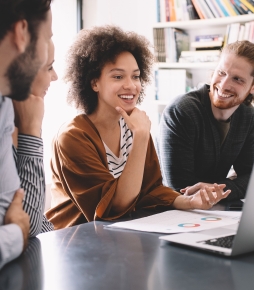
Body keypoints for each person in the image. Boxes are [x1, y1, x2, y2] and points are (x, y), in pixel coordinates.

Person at [46, 25, 230, 229]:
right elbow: (113, 208)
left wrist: (189, 201)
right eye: (118, 76)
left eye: (135, 76)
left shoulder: (133, 127)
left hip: (122, 234)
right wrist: (141, 137)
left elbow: (150, 190)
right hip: (75, 242)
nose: (131, 86)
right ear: (94, 83)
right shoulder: (73, 137)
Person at [157, 40, 254, 201]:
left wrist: (216, 190)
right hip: (171, 213)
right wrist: (231, 186)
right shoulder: (182, 111)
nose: (223, 85)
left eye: (237, 79)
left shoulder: (248, 117)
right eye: (221, 73)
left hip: (216, 210)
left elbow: (253, 177)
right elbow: (180, 189)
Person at [0, 0, 53, 269]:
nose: (54, 76)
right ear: (22, 33)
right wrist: (13, 235)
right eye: (48, 37)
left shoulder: (4, 110)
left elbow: (22, 217)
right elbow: (25, 223)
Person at [12, 40, 58, 229]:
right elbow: (29, 225)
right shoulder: (26, 121)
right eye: (49, 68)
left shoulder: (27, 112)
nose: (55, 77)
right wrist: (31, 128)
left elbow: (39, 223)